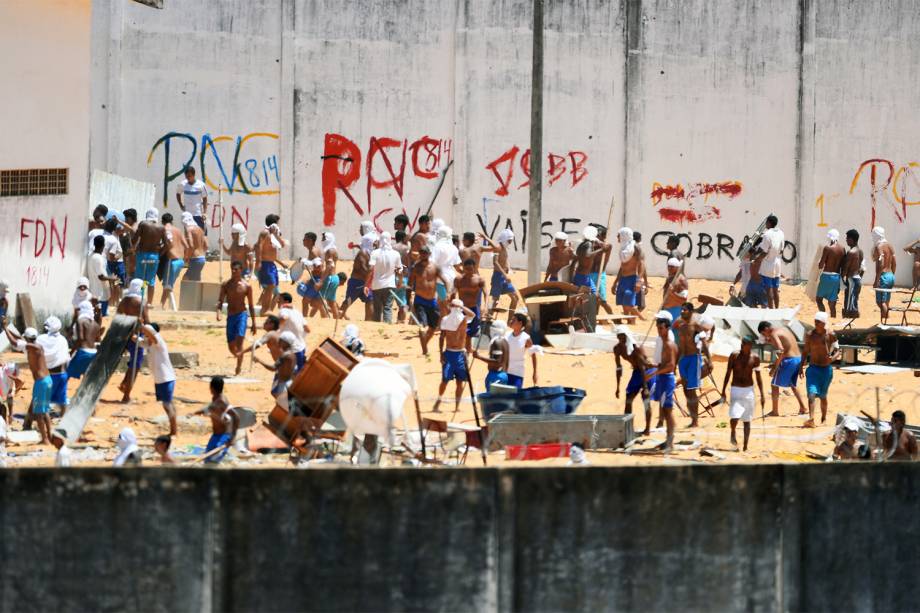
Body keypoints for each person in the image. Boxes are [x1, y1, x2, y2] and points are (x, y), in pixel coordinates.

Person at [4, 326, 52, 444]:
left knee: (39, 413)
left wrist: (5, 327)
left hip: (41, 382)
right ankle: (50, 436)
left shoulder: (33, 347)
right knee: (44, 411)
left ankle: (45, 440)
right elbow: (20, 340)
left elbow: (15, 342)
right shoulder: (35, 345)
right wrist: (10, 330)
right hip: (47, 380)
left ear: (27, 338)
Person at [720, 336, 764, 451]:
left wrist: (762, 394)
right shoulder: (734, 356)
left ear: (750, 345)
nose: (742, 345)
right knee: (734, 416)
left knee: (747, 420)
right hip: (736, 389)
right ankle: (733, 431)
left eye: (745, 344)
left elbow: (758, 377)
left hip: (749, 390)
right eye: (742, 343)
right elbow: (728, 373)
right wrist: (723, 391)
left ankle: (745, 446)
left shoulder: (755, 358)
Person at [433, 300, 475, 413]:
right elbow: (441, 337)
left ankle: (457, 406)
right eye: (453, 306)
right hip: (449, 353)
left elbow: (472, 314)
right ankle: (438, 402)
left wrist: (461, 306)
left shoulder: (464, 319)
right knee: (445, 380)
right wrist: (441, 353)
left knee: (460, 381)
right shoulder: (446, 320)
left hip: (461, 353)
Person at [758, 321, 807, 417]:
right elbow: (787, 346)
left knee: (774, 385)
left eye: (764, 334)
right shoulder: (783, 329)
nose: (765, 336)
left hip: (789, 360)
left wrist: (775, 367)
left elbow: (781, 351)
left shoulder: (773, 333)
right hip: (797, 359)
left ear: (766, 329)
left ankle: (775, 411)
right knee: (793, 384)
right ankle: (803, 407)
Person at [613, 325, 655, 435]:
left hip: (647, 372)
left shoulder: (636, 348)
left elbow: (643, 366)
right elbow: (618, 368)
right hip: (637, 372)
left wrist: (645, 387)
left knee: (645, 399)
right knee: (629, 398)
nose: (620, 339)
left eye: (622, 336)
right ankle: (628, 428)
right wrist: (618, 387)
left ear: (626, 336)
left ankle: (647, 429)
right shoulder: (617, 349)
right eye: (618, 336)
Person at [218, 261, 258, 375]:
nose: (234, 271)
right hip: (231, 316)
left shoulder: (247, 286)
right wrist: (219, 312)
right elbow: (220, 300)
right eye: (232, 269)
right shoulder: (226, 284)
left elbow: (250, 305)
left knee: (240, 341)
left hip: (242, 315)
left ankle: (238, 366)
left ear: (241, 270)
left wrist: (254, 323)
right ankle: (239, 356)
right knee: (231, 346)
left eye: (236, 269)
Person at [139, 323, 178, 435]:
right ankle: (173, 429)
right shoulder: (149, 344)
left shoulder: (158, 342)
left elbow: (153, 336)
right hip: (159, 379)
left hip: (166, 378)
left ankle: (174, 431)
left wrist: (142, 325)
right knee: (166, 404)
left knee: (167, 405)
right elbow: (136, 339)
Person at [409, 245, 448, 355]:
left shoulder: (435, 267)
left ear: (429, 254)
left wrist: (447, 293)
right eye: (421, 253)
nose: (423, 255)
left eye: (425, 253)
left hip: (432, 301)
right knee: (422, 325)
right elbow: (410, 283)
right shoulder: (416, 267)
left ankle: (424, 343)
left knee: (433, 326)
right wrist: (408, 300)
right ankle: (425, 351)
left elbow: (445, 281)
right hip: (419, 300)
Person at [803, 311, 839, 428]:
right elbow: (805, 351)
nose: (816, 323)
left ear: (823, 323)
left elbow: (838, 351)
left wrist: (832, 359)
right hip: (813, 368)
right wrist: (800, 367)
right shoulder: (810, 335)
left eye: (818, 322)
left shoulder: (830, 335)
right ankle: (811, 418)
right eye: (815, 321)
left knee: (823, 396)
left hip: (826, 369)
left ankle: (823, 418)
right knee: (811, 394)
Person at [116, 279, 150, 403]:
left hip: (123, 334)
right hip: (136, 335)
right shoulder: (141, 302)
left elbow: (118, 318)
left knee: (132, 364)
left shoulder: (124, 301)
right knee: (136, 365)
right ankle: (126, 395)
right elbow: (147, 321)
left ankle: (124, 384)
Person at [673, 302, 704, 428]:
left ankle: (695, 421)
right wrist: (675, 363)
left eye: (684, 310)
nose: (682, 312)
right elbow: (680, 345)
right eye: (681, 310)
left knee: (691, 390)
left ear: (690, 311)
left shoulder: (695, 325)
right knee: (686, 390)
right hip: (683, 359)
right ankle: (692, 419)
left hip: (693, 358)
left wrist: (709, 360)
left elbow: (704, 341)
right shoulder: (680, 325)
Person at [651, 312, 679, 452]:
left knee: (668, 411)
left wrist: (655, 372)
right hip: (663, 377)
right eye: (658, 328)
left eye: (661, 328)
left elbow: (671, 366)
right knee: (664, 409)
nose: (659, 331)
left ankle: (670, 441)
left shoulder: (669, 344)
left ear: (667, 328)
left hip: (667, 378)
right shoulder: (663, 341)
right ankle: (668, 440)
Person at [196, 377, 239, 464]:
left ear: (211, 388)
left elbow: (236, 416)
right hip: (216, 435)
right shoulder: (215, 398)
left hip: (224, 436)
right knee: (207, 459)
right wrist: (196, 412)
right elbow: (210, 408)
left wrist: (233, 437)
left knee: (213, 461)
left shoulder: (222, 401)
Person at [132, 208, 170, 306]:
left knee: (140, 279)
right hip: (154, 256)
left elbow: (134, 240)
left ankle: (139, 300)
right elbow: (166, 245)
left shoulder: (143, 224)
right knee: (151, 281)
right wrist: (159, 254)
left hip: (142, 254)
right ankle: (149, 303)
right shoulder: (161, 227)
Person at [254, 333, 298, 410]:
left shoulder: (284, 356)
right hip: (288, 382)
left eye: (281, 340)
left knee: (283, 405)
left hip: (283, 384)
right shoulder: (292, 354)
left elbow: (273, 368)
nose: (278, 342)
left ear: (286, 343)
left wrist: (259, 361)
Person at [367, 231, 403, 323]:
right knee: (387, 308)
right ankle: (387, 327)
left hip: (377, 285)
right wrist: (400, 282)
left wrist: (367, 284)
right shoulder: (396, 254)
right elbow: (399, 270)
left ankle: (377, 328)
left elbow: (370, 269)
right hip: (390, 285)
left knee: (377, 309)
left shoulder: (375, 253)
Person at [255, 215, 287, 313]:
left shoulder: (273, 235)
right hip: (264, 264)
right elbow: (259, 246)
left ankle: (264, 308)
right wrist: (259, 261)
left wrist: (276, 235)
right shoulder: (264, 233)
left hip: (271, 265)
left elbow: (282, 244)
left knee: (270, 287)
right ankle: (265, 309)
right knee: (270, 286)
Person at [454, 258, 486, 352]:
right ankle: (464, 348)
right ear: (463, 268)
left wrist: (485, 306)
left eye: (471, 269)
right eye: (467, 269)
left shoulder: (479, 279)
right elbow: (453, 291)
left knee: (472, 330)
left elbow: (486, 293)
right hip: (461, 309)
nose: (469, 271)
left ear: (474, 268)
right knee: (461, 330)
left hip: (473, 309)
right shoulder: (459, 279)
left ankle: (467, 348)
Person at [482, 229, 518, 315]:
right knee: (494, 301)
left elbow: (505, 260)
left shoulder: (504, 248)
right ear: (505, 239)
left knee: (515, 298)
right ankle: (487, 321)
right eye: (509, 240)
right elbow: (495, 262)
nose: (510, 242)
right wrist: (505, 275)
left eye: (511, 240)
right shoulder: (498, 247)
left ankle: (510, 321)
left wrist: (509, 269)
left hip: (504, 277)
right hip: (498, 277)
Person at [612, 227, 644, 319]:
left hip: (632, 279)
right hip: (623, 279)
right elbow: (622, 267)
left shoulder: (635, 248)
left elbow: (642, 265)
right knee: (623, 303)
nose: (617, 238)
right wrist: (615, 282)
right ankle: (629, 322)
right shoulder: (623, 249)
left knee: (629, 304)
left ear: (623, 236)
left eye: (619, 236)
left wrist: (639, 281)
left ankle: (641, 319)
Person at [341, 233, 374, 321]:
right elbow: (363, 269)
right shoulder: (362, 253)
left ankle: (368, 321)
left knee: (370, 300)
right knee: (348, 301)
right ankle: (338, 317)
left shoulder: (369, 252)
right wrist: (372, 274)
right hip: (356, 282)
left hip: (365, 282)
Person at [66, 300, 101, 384]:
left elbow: (80, 339)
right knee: (88, 376)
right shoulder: (95, 324)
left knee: (66, 373)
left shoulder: (80, 321)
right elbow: (98, 339)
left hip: (83, 351)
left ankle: (59, 394)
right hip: (93, 352)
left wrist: (71, 352)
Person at [159, 213, 188, 309]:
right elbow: (186, 246)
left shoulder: (165, 229)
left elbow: (169, 244)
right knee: (169, 285)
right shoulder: (178, 230)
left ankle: (162, 305)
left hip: (172, 260)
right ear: (172, 221)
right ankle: (169, 306)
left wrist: (160, 254)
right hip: (180, 261)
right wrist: (185, 258)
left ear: (162, 221)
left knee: (167, 286)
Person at [473, 320, 510, 392]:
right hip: (503, 374)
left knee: (493, 401)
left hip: (496, 376)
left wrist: (479, 357)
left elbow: (497, 362)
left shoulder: (497, 342)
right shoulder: (505, 341)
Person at [505, 312, 540, 388]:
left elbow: (533, 354)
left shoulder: (526, 338)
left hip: (517, 373)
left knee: (515, 396)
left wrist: (535, 373)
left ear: (520, 323)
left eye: (513, 320)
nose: (511, 321)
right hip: (505, 372)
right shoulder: (506, 335)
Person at [816, 228, 846, 317]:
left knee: (819, 299)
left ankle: (823, 318)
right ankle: (833, 319)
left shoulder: (827, 248)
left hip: (826, 276)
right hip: (836, 277)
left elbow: (820, 265)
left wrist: (819, 263)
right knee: (832, 304)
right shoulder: (842, 249)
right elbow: (843, 265)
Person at [86, 235, 116, 316]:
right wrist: (112, 278)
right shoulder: (98, 258)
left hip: (95, 292)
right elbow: (101, 277)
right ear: (103, 245)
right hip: (100, 294)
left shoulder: (90, 255)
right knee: (100, 317)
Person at [872, 226, 896, 324]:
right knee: (886, 302)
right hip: (890, 275)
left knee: (881, 302)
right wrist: (892, 275)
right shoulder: (890, 246)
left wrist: (876, 280)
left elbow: (881, 264)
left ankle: (884, 324)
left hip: (883, 276)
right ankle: (886, 319)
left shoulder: (879, 247)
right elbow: (894, 262)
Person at [278, 293, 308, 370]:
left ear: (286, 301)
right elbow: (308, 329)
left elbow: (284, 318)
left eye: (279, 300)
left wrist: (276, 326)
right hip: (302, 347)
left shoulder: (283, 310)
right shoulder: (297, 312)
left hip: (292, 349)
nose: (277, 301)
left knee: (284, 373)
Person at [432, 225, 462, 302]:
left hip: (439, 278)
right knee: (449, 302)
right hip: (451, 277)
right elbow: (457, 265)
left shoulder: (437, 246)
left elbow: (432, 262)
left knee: (441, 303)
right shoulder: (454, 248)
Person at [760, 214, 784, 308]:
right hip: (777, 264)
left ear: (769, 223)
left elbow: (764, 251)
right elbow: (781, 250)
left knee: (768, 290)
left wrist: (756, 259)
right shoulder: (781, 233)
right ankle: (777, 309)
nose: (765, 224)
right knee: (775, 289)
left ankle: (770, 310)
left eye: (766, 222)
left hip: (767, 265)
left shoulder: (767, 234)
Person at [571, 226, 605, 295]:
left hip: (582, 276)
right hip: (583, 277)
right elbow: (588, 254)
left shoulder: (582, 244)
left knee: (594, 295)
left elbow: (574, 261)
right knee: (590, 297)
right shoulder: (588, 244)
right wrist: (601, 250)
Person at [175, 166, 209, 232]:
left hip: (198, 215)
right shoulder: (182, 184)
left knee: (200, 235)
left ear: (194, 175)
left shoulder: (201, 185)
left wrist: (204, 213)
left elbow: (205, 199)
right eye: (186, 176)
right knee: (188, 236)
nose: (188, 178)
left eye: (189, 176)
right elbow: (178, 194)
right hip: (187, 216)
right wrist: (181, 205)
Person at [591, 225, 614, 314]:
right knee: (592, 298)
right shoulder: (591, 245)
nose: (596, 237)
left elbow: (605, 247)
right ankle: (595, 316)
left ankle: (613, 318)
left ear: (604, 236)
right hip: (590, 274)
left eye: (598, 235)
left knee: (602, 300)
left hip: (600, 274)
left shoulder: (608, 246)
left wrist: (598, 241)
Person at [103, 217, 125, 305]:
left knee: (113, 283)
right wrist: (119, 255)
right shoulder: (113, 237)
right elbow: (112, 257)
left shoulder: (105, 234)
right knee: (117, 283)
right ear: (115, 228)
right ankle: (114, 302)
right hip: (116, 263)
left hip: (110, 262)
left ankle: (113, 302)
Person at [842, 229, 864, 319]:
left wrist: (841, 279)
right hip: (857, 278)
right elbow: (861, 268)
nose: (846, 240)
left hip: (851, 279)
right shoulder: (860, 251)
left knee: (849, 305)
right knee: (853, 302)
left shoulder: (851, 252)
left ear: (852, 239)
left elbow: (846, 268)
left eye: (847, 238)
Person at [661, 258, 688, 326]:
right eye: (668, 266)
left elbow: (684, 298)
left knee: (673, 331)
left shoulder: (682, 280)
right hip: (666, 308)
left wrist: (672, 293)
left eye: (672, 267)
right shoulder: (670, 278)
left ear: (677, 268)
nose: (669, 268)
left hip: (676, 309)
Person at [182, 211, 208, 281]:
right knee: (196, 280)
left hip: (195, 259)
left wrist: (186, 257)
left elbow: (190, 246)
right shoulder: (200, 229)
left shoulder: (188, 230)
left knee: (185, 279)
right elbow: (206, 245)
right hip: (202, 258)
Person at [393, 230, 411, 323]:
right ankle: (401, 321)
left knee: (388, 301)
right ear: (404, 238)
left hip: (392, 277)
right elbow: (408, 264)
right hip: (403, 276)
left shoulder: (392, 247)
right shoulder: (406, 248)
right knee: (402, 302)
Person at [117, 208, 139, 279]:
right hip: (133, 258)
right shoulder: (135, 226)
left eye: (126, 218)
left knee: (131, 279)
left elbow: (132, 231)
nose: (125, 221)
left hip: (132, 258)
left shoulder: (134, 228)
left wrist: (118, 221)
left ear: (130, 218)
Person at [0, 357, 22, 426]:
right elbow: (19, 382)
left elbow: (19, 382)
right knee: (3, 408)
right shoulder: (2, 374)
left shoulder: (11, 380)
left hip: (7, 386)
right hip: (3, 389)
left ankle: (6, 422)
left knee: (3, 408)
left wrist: (11, 414)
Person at [633, 231, 649, 312]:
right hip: (637, 278)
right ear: (639, 239)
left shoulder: (628, 249)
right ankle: (635, 315)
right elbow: (643, 268)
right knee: (641, 304)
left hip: (630, 277)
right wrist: (645, 282)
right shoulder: (640, 251)